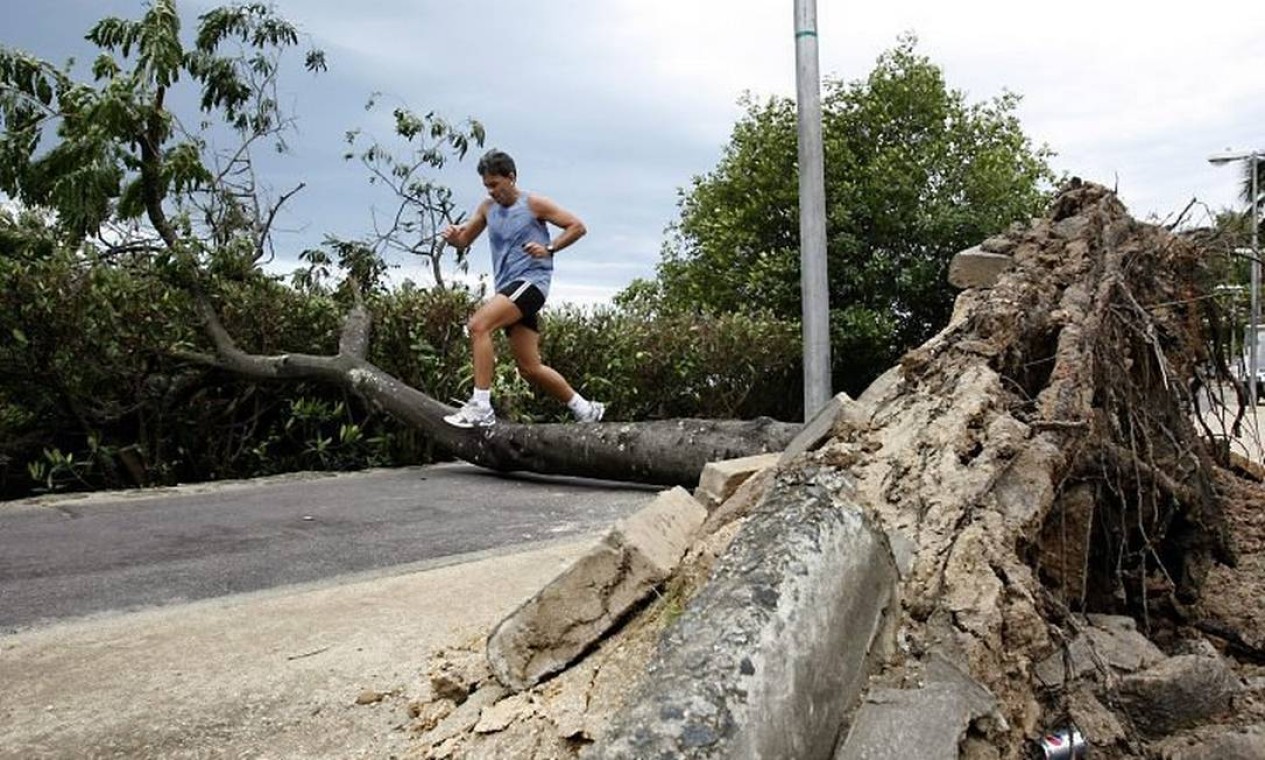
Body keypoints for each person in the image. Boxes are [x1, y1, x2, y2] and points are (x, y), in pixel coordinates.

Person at [439, 149, 605, 428]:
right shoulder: (487, 209)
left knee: (479, 325)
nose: (491, 191)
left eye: (495, 184)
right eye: (486, 186)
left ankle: (481, 406)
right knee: (529, 368)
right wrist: (455, 238)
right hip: (508, 288)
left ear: (511, 178)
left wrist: (549, 248)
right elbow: (465, 239)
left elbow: (577, 226)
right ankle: (585, 408)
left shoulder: (534, 204)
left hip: (531, 283)